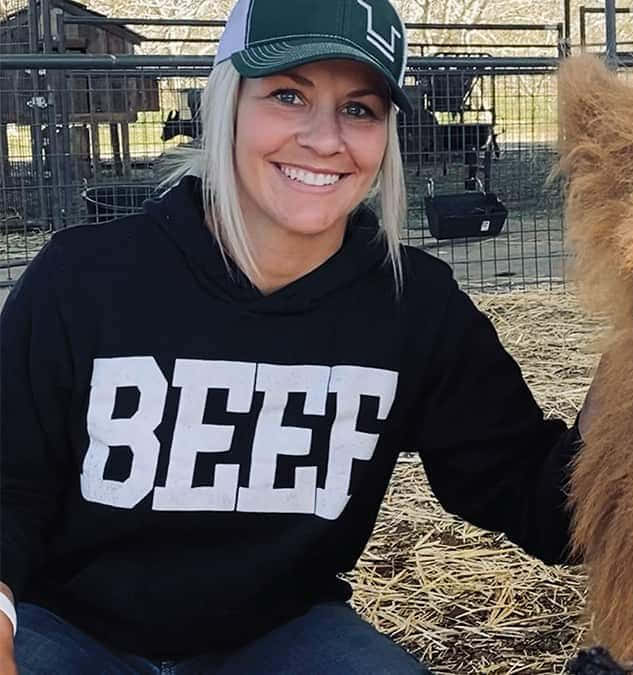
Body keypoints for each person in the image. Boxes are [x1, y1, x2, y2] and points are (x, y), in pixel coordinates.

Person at [0, 0, 592, 672]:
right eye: (288, 95)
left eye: (360, 109)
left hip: (279, 634)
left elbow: (534, 498)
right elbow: (7, 478)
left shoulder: (412, 306)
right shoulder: (85, 276)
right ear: (228, 102)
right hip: (71, 631)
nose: (324, 137)